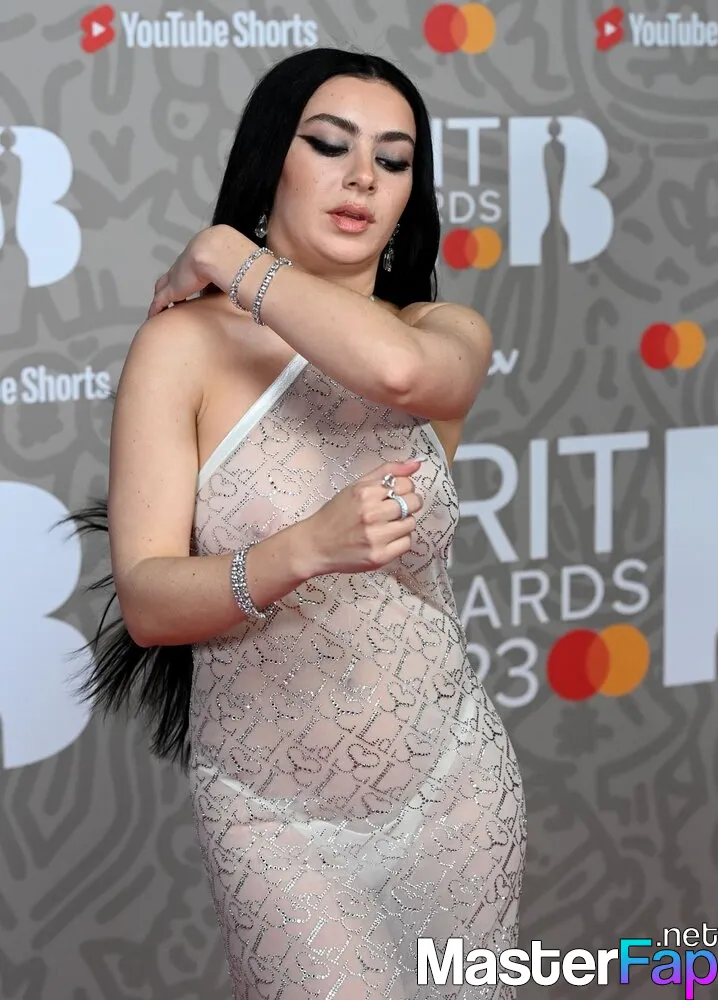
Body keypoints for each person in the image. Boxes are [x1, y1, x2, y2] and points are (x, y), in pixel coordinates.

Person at [71, 47, 526, 1000]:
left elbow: (396, 373)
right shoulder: (182, 348)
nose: (363, 177)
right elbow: (148, 603)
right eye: (329, 145)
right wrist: (304, 550)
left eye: (393, 160)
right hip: (274, 822)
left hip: (455, 789)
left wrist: (227, 254)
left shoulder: (440, 333)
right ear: (271, 157)